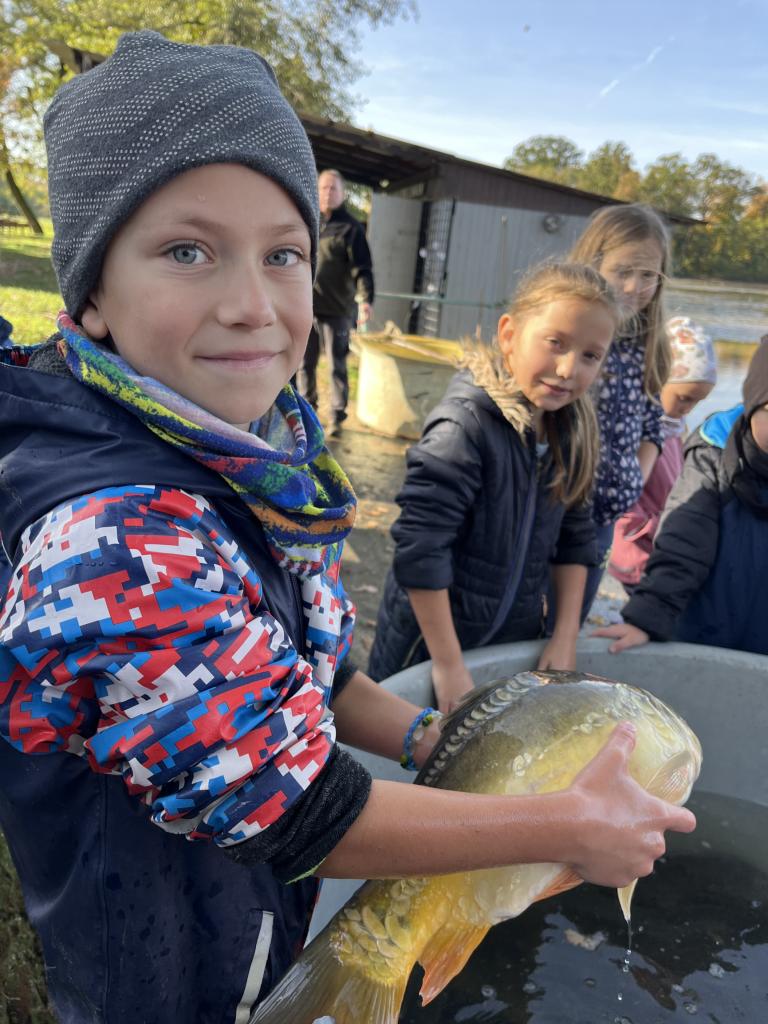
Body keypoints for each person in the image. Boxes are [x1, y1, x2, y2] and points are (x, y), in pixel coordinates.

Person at [0, 33, 695, 1024]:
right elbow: (297, 809)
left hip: (241, 923)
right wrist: (564, 827)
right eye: (187, 251)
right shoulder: (112, 539)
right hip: (153, 972)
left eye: (283, 254)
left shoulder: (252, 449)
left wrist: (421, 734)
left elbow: (299, 670)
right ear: (93, 294)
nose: (252, 304)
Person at [368, 262, 619, 711]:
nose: (567, 368)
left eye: (590, 356)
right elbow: (421, 550)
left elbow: (575, 540)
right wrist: (447, 664)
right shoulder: (464, 427)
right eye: (555, 343)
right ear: (509, 335)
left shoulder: (571, 433)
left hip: (511, 643)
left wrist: (564, 636)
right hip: (427, 648)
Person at [594, 335, 768, 656]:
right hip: (700, 641)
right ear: (752, 403)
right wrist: (646, 619)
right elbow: (682, 545)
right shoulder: (713, 456)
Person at [552, 204, 673, 622]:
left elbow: (653, 422)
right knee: (538, 616)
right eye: (622, 271)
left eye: (648, 275)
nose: (634, 286)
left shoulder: (648, 343)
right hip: (555, 510)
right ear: (593, 264)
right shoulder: (574, 338)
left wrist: (637, 475)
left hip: (605, 517)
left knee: (574, 615)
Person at [608, 316, 717, 589]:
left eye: (698, 401)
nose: (688, 408)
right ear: (657, 379)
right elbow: (622, 502)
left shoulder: (675, 428)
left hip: (662, 542)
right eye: (684, 398)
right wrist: (659, 526)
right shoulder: (634, 430)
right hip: (637, 552)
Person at [296, 168, 374, 438]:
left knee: (336, 366)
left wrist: (366, 300)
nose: (328, 193)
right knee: (304, 364)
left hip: (338, 310)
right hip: (307, 309)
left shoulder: (351, 228)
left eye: (333, 189)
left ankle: (337, 418)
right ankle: (307, 412)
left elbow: (363, 269)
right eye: (324, 188)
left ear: (343, 194)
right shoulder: (309, 223)